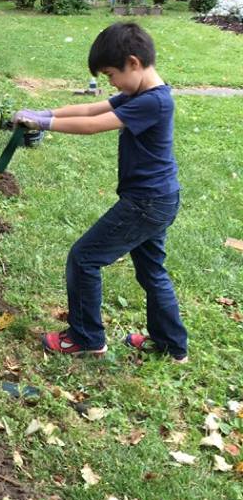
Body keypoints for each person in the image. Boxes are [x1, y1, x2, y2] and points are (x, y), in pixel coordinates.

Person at [14, 22, 187, 363]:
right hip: (158, 198)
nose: (110, 82)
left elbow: (94, 125)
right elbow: (92, 109)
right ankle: (171, 345)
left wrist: (43, 125)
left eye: (111, 74)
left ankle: (86, 337)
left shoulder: (154, 102)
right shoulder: (140, 93)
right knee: (152, 271)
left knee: (84, 257)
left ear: (134, 63)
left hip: (146, 203)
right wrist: (45, 113)